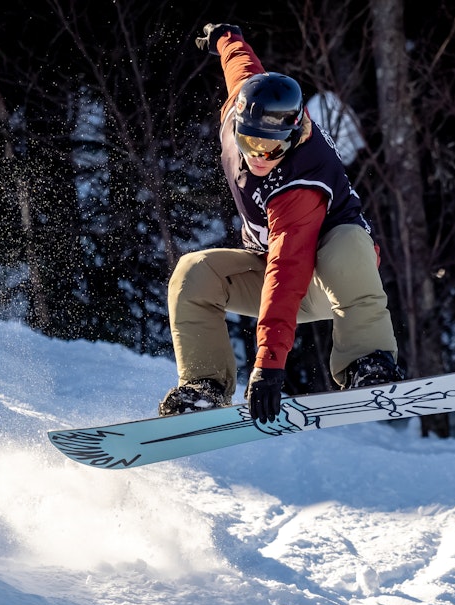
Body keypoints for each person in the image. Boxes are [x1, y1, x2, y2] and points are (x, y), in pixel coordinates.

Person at [159, 23, 402, 424]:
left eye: (271, 147)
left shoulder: (299, 181)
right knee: (193, 273)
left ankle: (367, 360)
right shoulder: (241, 106)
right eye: (249, 140)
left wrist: (269, 365)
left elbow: (287, 270)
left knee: (346, 244)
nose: (257, 155)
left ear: (293, 136)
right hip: (270, 266)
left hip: (328, 281)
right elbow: (241, 64)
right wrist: (224, 36)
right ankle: (204, 386)